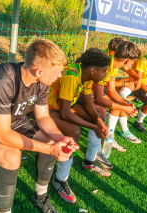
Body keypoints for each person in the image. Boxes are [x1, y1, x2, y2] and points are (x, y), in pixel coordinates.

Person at [0, 38, 79, 213]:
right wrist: (48, 150)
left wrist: (60, 138)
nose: (60, 76)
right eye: (58, 72)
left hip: (10, 119)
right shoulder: (2, 80)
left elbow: (43, 117)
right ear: (39, 71)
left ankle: (40, 196)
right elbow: (3, 135)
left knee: (50, 140)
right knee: (11, 156)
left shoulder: (41, 81)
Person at [47, 48, 111, 192]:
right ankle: (60, 180)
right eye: (104, 70)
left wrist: (98, 122)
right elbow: (64, 113)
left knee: (98, 117)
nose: (105, 74)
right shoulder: (71, 76)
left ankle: (89, 161)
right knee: (74, 131)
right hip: (48, 108)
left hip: (66, 105)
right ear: (93, 70)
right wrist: (94, 127)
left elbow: (88, 102)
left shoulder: (87, 76)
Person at [91, 40, 142, 169]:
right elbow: (97, 98)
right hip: (79, 94)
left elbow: (112, 91)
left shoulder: (112, 66)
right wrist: (123, 106)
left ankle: (109, 138)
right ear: (127, 61)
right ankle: (95, 153)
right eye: (132, 62)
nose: (131, 65)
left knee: (118, 102)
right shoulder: (104, 66)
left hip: (89, 93)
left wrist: (126, 105)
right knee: (101, 110)